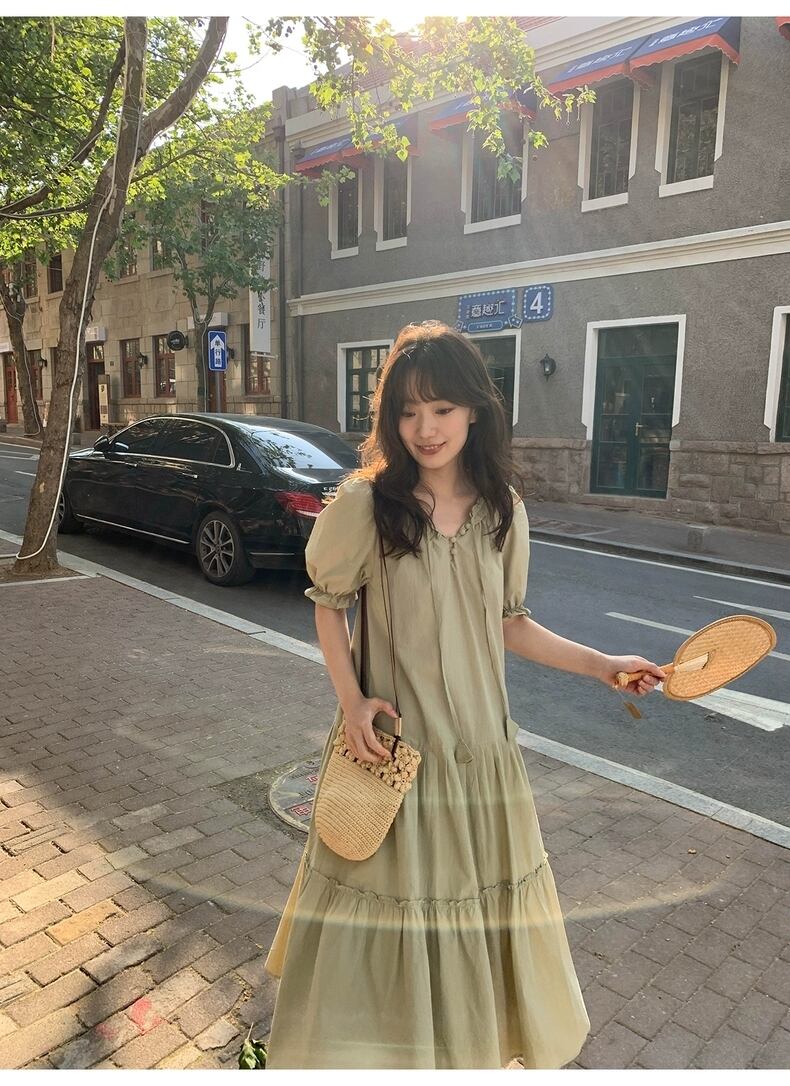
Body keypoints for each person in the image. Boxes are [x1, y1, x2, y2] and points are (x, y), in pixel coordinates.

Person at [263, 321, 665, 1069]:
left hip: (482, 753)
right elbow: (329, 605)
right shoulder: (368, 504)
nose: (426, 428)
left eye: (442, 408)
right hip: (399, 754)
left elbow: (510, 624)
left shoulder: (502, 509)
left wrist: (604, 664)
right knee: (393, 917)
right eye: (409, 412)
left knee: (476, 914)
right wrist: (352, 702)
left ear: (474, 410)